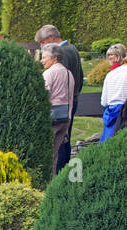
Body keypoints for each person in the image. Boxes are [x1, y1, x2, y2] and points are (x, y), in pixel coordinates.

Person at [35, 25, 82, 172]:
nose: (42, 46)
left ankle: (57, 172)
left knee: (57, 144)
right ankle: (64, 170)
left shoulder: (62, 54)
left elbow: (52, 88)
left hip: (57, 106)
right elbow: (77, 79)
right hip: (69, 103)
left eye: (42, 42)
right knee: (65, 137)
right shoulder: (72, 49)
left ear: (51, 38)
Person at [41, 43, 76, 174]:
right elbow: (71, 98)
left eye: (44, 57)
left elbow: (44, 96)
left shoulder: (48, 74)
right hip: (64, 118)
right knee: (55, 153)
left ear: (55, 58)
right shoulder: (68, 74)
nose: (42, 60)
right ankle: (54, 180)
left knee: (46, 154)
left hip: (51, 117)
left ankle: (46, 181)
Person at [102, 43, 127, 141]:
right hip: (122, 110)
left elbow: (103, 101)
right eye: (109, 55)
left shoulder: (111, 74)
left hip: (110, 110)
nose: (111, 57)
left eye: (113, 55)